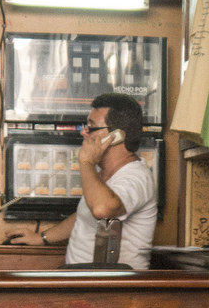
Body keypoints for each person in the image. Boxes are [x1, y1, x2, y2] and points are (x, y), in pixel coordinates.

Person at [20, 94, 156, 269]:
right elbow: (84, 215)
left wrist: (86, 162)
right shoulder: (101, 175)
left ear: (116, 137)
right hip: (84, 281)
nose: (83, 132)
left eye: (91, 127)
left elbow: (102, 209)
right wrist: (41, 238)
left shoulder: (137, 177)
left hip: (114, 289)